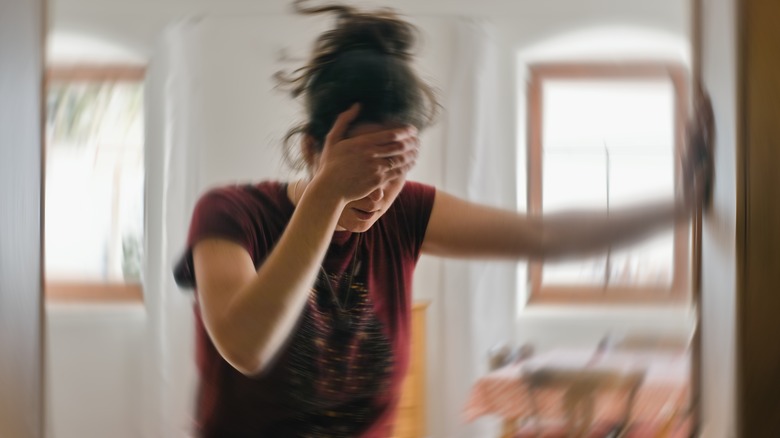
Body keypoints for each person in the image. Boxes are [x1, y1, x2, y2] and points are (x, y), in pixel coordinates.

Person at [173, 1, 714, 436]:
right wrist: (328, 194)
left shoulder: (407, 213)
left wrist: (682, 203)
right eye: (360, 165)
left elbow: (545, 235)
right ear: (314, 148)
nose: (377, 190)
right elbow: (247, 346)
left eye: (394, 167)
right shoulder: (231, 213)